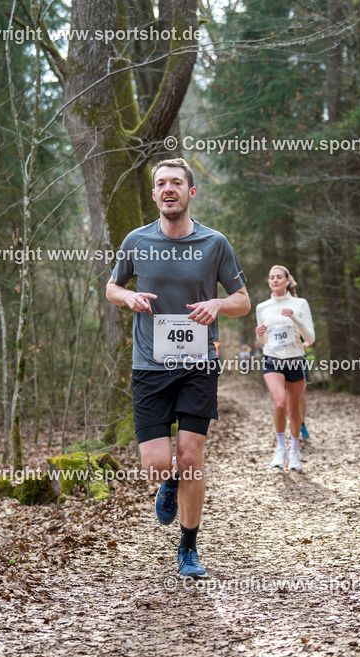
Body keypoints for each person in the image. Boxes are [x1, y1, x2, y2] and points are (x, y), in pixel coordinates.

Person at [106, 158, 249, 578]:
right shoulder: (136, 240)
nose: (169, 189)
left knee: (190, 456)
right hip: (149, 366)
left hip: (198, 364)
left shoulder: (214, 243)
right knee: (157, 464)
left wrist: (218, 303)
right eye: (161, 184)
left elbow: (242, 299)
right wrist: (126, 298)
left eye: (177, 183)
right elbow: (112, 286)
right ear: (154, 195)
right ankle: (168, 486)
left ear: (191, 192)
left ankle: (189, 549)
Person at [255, 265, 314, 471]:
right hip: (273, 359)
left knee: (294, 411)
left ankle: (295, 450)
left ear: (287, 281)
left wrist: (294, 317)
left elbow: (310, 338)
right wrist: (259, 333)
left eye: (279, 277)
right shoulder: (262, 307)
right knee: (279, 404)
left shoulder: (300, 304)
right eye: (272, 277)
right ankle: (281, 447)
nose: (275, 280)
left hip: (296, 359)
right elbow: (262, 341)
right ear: (269, 282)